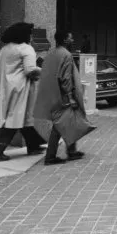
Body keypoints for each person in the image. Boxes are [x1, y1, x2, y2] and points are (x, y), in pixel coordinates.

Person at [0, 22, 44, 162]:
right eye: (30, 33)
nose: (32, 36)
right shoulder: (26, 49)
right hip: (21, 89)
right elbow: (30, 69)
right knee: (14, 120)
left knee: (22, 119)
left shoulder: (4, 49)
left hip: (6, 87)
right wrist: (44, 71)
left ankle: (34, 146)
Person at [34, 30, 89, 165]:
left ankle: (72, 151)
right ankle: (51, 157)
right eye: (70, 38)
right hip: (63, 96)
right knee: (59, 126)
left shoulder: (52, 53)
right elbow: (65, 79)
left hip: (53, 94)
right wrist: (70, 97)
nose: (73, 40)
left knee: (68, 123)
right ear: (65, 40)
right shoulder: (66, 55)